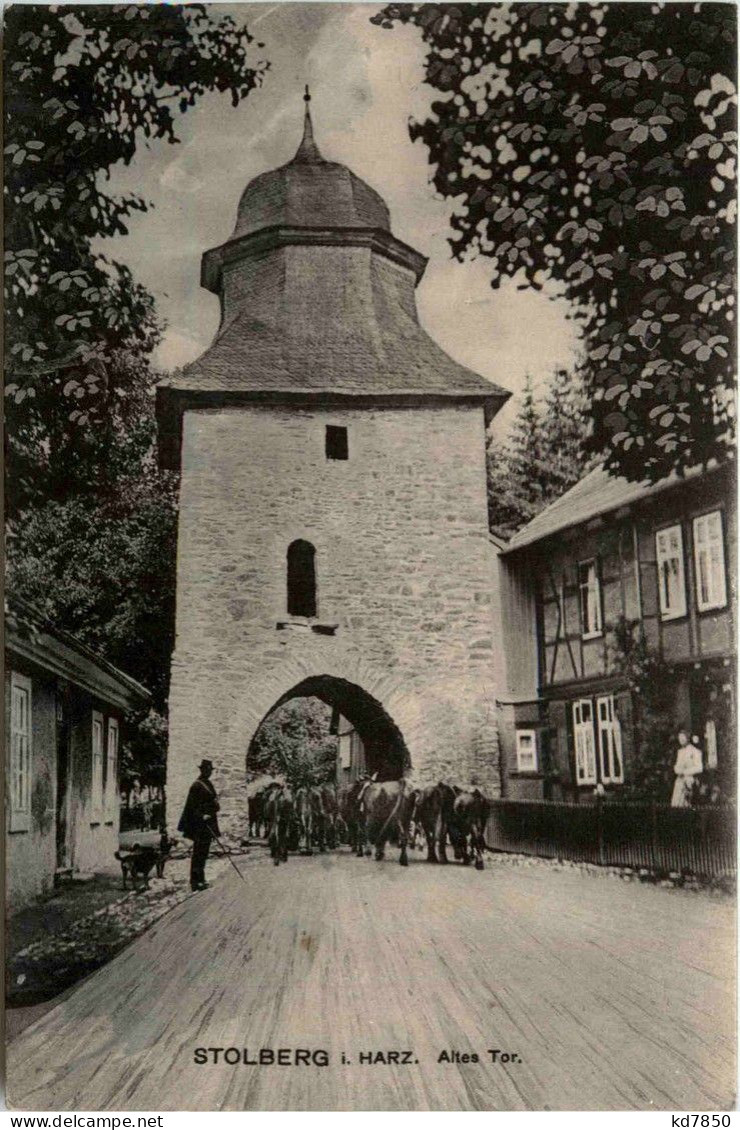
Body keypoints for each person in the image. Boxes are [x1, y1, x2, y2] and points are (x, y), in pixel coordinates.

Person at [178, 759, 220, 890]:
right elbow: (192, 807)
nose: (209, 773)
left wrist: (214, 808)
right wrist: (202, 816)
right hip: (199, 825)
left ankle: (201, 879)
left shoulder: (208, 784)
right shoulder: (196, 785)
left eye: (210, 770)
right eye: (207, 770)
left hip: (208, 824)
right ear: (202, 770)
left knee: (204, 853)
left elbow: (213, 801)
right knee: (198, 853)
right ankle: (195, 882)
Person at [670, 728, 703, 808]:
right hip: (679, 781)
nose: (680, 739)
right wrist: (677, 770)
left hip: (690, 780)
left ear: (687, 738)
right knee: (676, 805)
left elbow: (699, 767)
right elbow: (677, 766)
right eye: (679, 737)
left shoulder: (695, 751)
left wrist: (685, 772)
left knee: (687, 805)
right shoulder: (680, 752)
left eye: (682, 737)